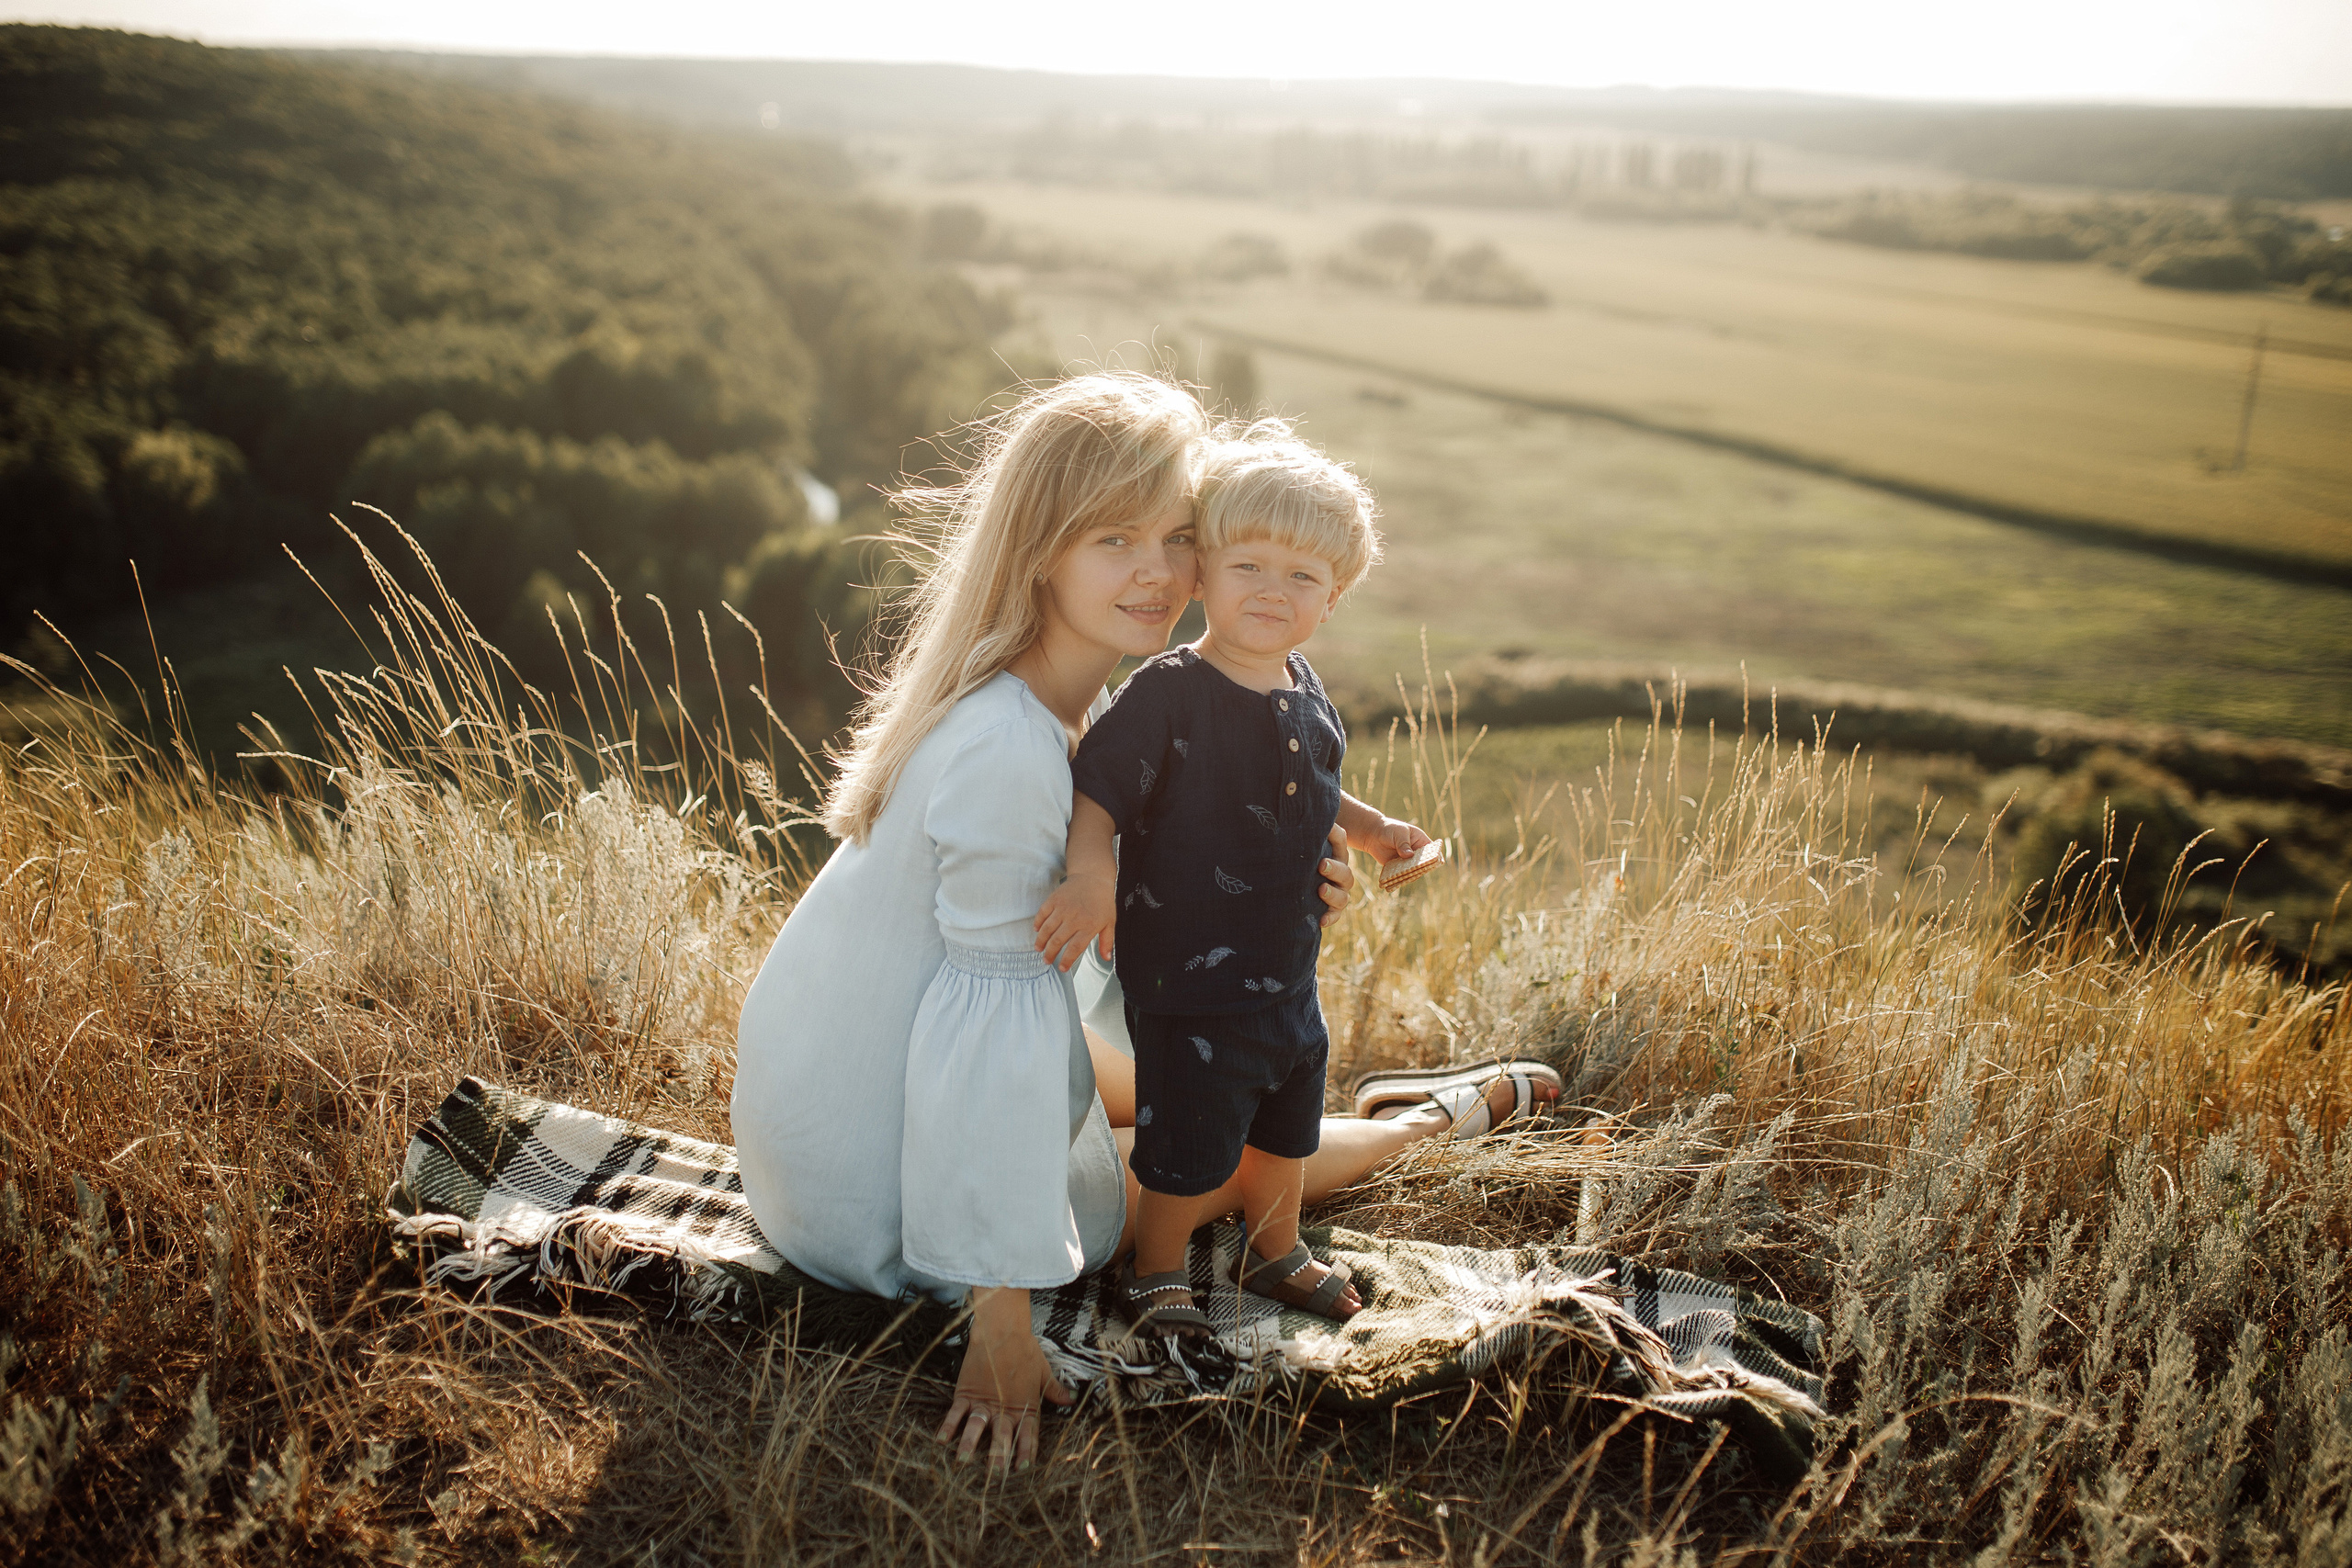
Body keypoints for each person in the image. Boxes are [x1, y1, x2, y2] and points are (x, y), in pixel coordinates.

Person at [730, 372, 1560, 1473]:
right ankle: (1424, 1123)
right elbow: (987, 1047)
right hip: (871, 1188)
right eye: (1113, 539)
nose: (1161, 573)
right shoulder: (1009, 754)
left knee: (1190, 1073)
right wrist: (1001, 1327)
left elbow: (1102, 922)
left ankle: (1368, 1103)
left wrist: (1282, 865)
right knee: (1210, 1148)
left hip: (839, 1099)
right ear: (1039, 548)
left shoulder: (1063, 709)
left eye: (1177, 536)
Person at [1032, 424, 1427, 1338]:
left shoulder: (1303, 686)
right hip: (1188, 983)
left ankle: (1276, 1247)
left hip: (1286, 975)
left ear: (1331, 601)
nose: (1272, 592)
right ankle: (1159, 1267)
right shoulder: (1169, 692)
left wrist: (1373, 835)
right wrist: (1091, 880)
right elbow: (1097, 793)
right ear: (1201, 573)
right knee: (1186, 1143)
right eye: (1249, 566)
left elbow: (1320, 788)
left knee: (1286, 1123)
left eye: (1302, 579)